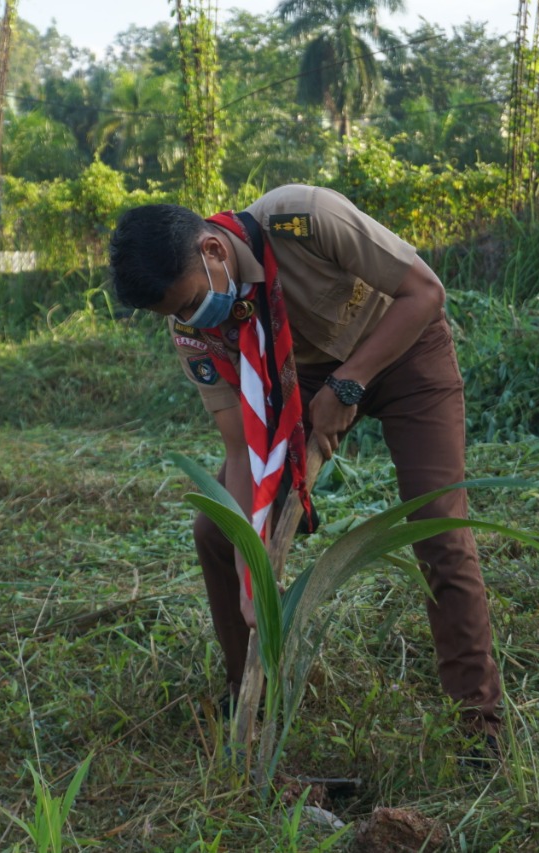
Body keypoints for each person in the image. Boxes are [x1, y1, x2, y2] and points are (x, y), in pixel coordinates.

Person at [108, 185, 501, 741]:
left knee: (438, 522)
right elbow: (242, 447)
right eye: (175, 315)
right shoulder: (195, 331)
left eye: (191, 302)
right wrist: (252, 569)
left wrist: (348, 384)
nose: (192, 319)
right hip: (299, 378)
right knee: (216, 532)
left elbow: (424, 294)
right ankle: (249, 702)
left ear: (213, 251)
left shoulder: (304, 219)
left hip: (406, 349)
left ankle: (478, 723)